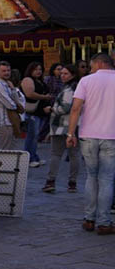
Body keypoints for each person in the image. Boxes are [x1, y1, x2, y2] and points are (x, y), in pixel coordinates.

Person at [66, 53, 115, 235]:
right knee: (107, 179)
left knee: (91, 176)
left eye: (92, 65)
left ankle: (89, 219)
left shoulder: (86, 81)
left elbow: (75, 108)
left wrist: (71, 133)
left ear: (100, 63)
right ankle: (104, 221)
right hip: (111, 136)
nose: (91, 69)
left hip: (88, 135)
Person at [43, 65, 80, 193]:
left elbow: (65, 108)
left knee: (56, 154)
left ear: (73, 75)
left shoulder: (70, 89)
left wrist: (51, 109)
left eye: (66, 73)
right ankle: (72, 183)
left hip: (61, 127)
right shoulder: (75, 87)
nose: (62, 75)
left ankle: (51, 181)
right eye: (62, 73)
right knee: (74, 155)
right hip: (74, 126)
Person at [20, 62, 51, 167]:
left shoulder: (40, 81)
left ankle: (34, 156)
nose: (38, 71)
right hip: (31, 112)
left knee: (35, 135)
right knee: (32, 135)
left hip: (39, 112)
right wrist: (44, 97)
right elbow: (29, 94)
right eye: (36, 69)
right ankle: (28, 159)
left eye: (40, 69)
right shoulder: (28, 80)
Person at [0, 61, 25, 150]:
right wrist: (19, 107)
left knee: (12, 150)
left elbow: (17, 101)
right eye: (4, 71)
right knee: (5, 151)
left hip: (10, 122)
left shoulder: (7, 84)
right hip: (3, 123)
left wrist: (13, 89)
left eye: (8, 70)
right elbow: (10, 105)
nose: (7, 73)